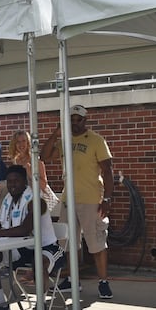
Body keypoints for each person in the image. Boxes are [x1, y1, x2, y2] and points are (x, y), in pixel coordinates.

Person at [42, 103, 116, 299]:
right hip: (68, 199)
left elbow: (108, 171)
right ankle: (72, 280)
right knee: (68, 243)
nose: (75, 123)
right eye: (71, 120)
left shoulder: (96, 140)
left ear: (85, 120)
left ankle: (103, 281)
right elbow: (44, 156)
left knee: (96, 242)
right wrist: (57, 132)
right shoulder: (64, 141)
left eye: (78, 120)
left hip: (91, 199)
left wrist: (107, 198)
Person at [0, 163, 57, 310]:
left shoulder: (35, 200)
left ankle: (41, 305)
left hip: (48, 248)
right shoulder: (8, 199)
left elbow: (24, 229)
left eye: (16, 181)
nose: (12, 185)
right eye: (9, 181)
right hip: (21, 248)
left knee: (39, 263)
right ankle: (1, 304)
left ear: (25, 182)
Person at [6, 128, 58, 217]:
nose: (21, 144)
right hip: (21, 201)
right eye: (18, 142)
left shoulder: (36, 161)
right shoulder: (15, 161)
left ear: (28, 143)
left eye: (23, 141)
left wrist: (30, 172)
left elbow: (43, 185)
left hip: (36, 201)